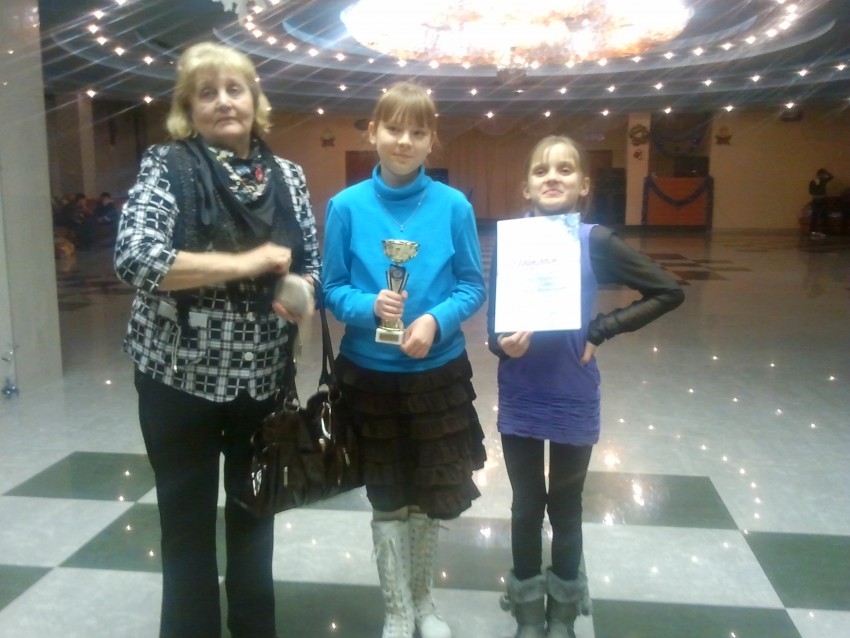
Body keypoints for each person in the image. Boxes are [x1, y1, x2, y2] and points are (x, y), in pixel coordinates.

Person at [114, 42, 321, 638]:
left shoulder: (289, 176)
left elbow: (311, 264)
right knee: (186, 526)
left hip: (263, 384)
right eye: (207, 93)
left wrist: (300, 290)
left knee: (256, 519)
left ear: (256, 101)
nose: (224, 101)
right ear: (189, 110)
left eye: (235, 89)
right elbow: (136, 258)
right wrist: (247, 262)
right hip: (177, 382)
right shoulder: (167, 165)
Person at [487, 135, 684, 638]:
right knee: (525, 505)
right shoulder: (513, 242)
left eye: (565, 169)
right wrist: (503, 344)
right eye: (541, 170)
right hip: (521, 390)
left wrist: (601, 329)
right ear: (526, 187)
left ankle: (563, 612)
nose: (552, 177)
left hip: (572, 389)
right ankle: (527, 610)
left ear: (584, 185)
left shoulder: (594, 240)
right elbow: (493, 332)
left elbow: (667, 290)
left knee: (566, 506)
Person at [322, 81, 486, 638]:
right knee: (388, 495)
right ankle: (396, 609)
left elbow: (472, 285)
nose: (404, 141)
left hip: (437, 377)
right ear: (373, 132)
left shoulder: (454, 206)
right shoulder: (346, 207)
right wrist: (369, 306)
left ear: (431, 140)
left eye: (417, 131)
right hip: (370, 376)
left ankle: (423, 602)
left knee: (427, 498)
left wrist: (436, 319)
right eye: (393, 128)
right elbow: (331, 289)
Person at [808, 167, 834, 237]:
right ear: (818, 175)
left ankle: (825, 231)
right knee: (814, 216)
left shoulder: (823, 181)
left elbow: (831, 177)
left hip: (823, 200)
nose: (822, 176)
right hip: (816, 200)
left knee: (824, 216)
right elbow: (810, 192)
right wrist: (817, 185)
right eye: (821, 174)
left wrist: (826, 172)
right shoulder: (812, 182)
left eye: (823, 175)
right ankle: (812, 231)